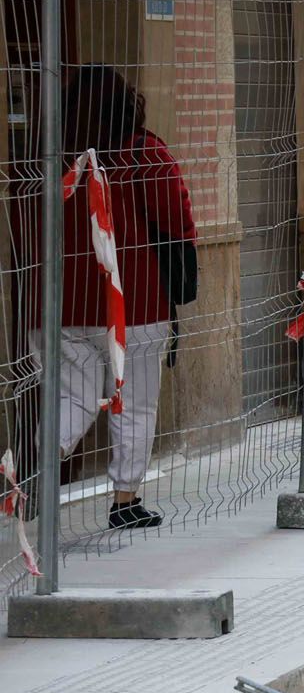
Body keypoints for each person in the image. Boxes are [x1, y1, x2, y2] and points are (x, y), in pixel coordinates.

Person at [36, 66, 197, 531]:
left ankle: (28, 479)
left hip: (60, 302)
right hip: (135, 303)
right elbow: (176, 216)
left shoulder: (50, 158)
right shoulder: (142, 151)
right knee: (134, 401)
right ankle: (125, 501)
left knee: (72, 398)